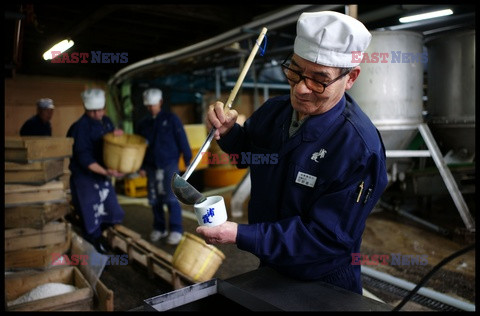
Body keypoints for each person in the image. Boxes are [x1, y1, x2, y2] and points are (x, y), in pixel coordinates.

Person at [196, 11, 388, 295]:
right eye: (295, 71)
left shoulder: (358, 147)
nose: (300, 88)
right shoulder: (274, 113)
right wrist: (228, 132)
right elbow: (246, 155)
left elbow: (324, 237)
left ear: (350, 78)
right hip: (271, 267)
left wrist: (239, 234)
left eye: (319, 80)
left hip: (324, 281)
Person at [67, 88, 125, 253]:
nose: (97, 114)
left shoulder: (106, 122)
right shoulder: (80, 128)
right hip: (85, 178)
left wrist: (115, 135)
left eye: (100, 110)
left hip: (102, 177)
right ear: (86, 110)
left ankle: (98, 238)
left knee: (114, 213)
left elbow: (110, 146)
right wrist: (107, 172)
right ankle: (94, 249)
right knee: (90, 216)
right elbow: (84, 158)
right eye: (93, 111)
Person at [136, 88, 192, 245]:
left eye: (153, 105)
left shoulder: (172, 119)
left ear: (160, 103)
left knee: (172, 198)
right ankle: (159, 227)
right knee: (155, 199)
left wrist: (188, 160)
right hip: (151, 166)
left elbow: (182, 139)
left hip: (169, 164)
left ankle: (176, 229)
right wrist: (140, 166)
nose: (151, 108)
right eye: (148, 106)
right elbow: (139, 147)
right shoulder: (143, 124)